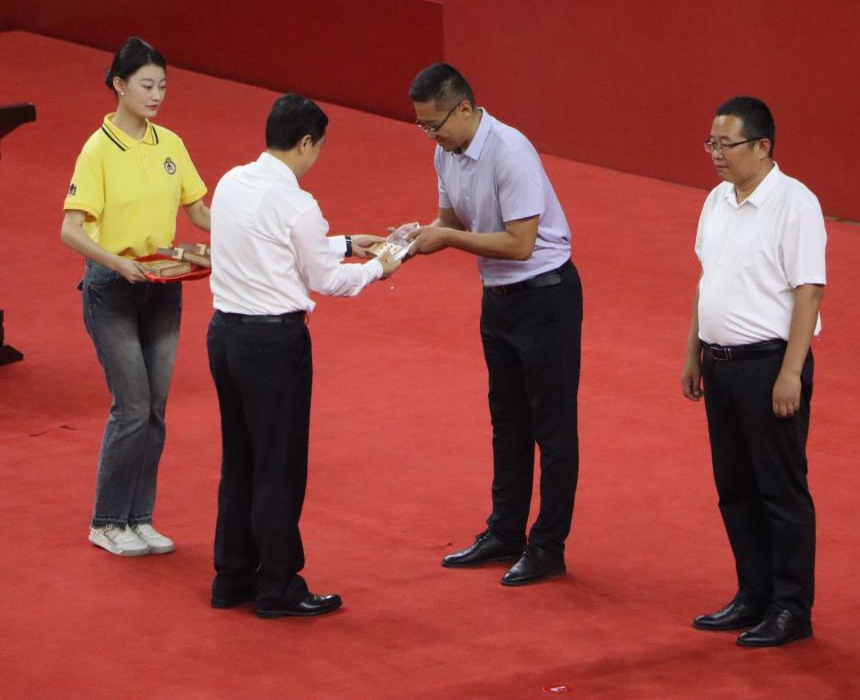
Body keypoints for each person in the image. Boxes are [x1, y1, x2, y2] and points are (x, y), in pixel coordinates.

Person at [207, 93, 400, 619]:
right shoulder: (298, 203)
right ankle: (278, 585)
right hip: (274, 346)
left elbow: (275, 244)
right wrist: (379, 267)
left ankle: (232, 577)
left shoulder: (231, 181)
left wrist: (345, 242)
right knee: (280, 465)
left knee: (240, 460)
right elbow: (327, 280)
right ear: (306, 142)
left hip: (225, 335)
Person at [407, 63, 583, 587]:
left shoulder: (511, 152)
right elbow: (450, 222)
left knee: (552, 427)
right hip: (499, 299)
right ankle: (505, 531)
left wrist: (446, 240)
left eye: (434, 124)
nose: (430, 135)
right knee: (507, 421)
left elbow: (520, 243)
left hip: (545, 296)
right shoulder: (446, 152)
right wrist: (411, 239)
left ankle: (548, 545)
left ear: (464, 109)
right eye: (421, 125)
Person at [681, 96, 826, 647]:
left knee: (779, 490)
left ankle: (791, 608)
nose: (716, 154)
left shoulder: (795, 203)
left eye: (727, 144)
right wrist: (693, 352)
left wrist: (791, 372)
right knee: (734, 487)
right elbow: (706, 280)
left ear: (763, 146)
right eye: (711, 143)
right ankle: (753, 594)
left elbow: (808, 291)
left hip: (768, 365)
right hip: (720, 365)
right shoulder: (717, 200)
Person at [60, 36, 211, 557]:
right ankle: (107, 521)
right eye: (147, 85)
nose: (156, 95)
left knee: (156, 409)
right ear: (119, 85)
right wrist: (116, 262)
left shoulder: (170, 144)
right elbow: (71, 230)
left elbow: (198, 212)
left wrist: (242, 235)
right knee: (132, 407)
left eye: (162, 86)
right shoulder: (97, 150)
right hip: (112, 290)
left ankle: (139, 518)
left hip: (163, 288)